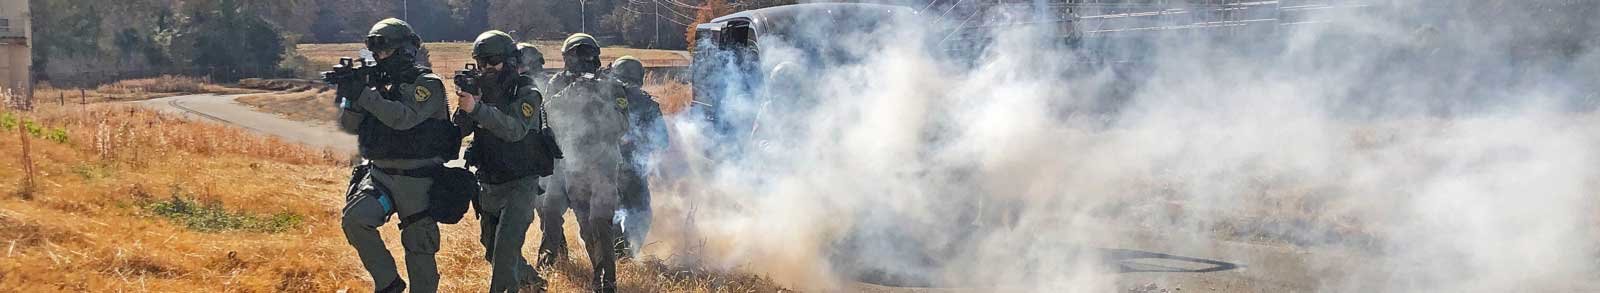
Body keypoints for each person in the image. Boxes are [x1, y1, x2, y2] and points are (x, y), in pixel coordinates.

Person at [335, 18, 457, 293]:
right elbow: (348, 126)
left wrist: (366, 95)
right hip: (380, 176)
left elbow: (403, 118)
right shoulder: (376, 84)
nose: (378, 57)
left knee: (419, 249)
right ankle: (388, 283)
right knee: (355, 220)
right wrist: (353, 96)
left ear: (404, 50)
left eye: (384, 50)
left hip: (418, 180)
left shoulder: (428, 84)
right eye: (375, 52)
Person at [454, 30, 559, 293]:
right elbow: (459, 129)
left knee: (503, 259)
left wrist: (478, 109)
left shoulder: (526, 91)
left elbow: (514, 129)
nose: (487, 68)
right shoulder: (482, 89)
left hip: (520, 183)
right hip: (490, 182)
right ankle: (534, 283)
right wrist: (468, 102)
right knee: (492, 251)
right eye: (481, 62)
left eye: (493, 61)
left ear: (510, 61)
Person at [539, 33, 630, 293]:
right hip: (573, 162)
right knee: (587, 225)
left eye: (586, 56)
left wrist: (598, 100)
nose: (581, 62)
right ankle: (597, 272)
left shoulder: (611, 84)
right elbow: (547, 115)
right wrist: (573, 92)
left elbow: (623, 125)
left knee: (602, 221)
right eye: (575, 57)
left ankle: (607, 282)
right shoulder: (559, 83)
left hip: (603, 162)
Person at [604, 56, 667, 259]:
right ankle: (627, 254)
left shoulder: (603, 100)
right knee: (639, 213)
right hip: (632, 168)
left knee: (611, 211)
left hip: (608, 166)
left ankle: (616, 253)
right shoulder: (647, 104)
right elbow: (662, 141)